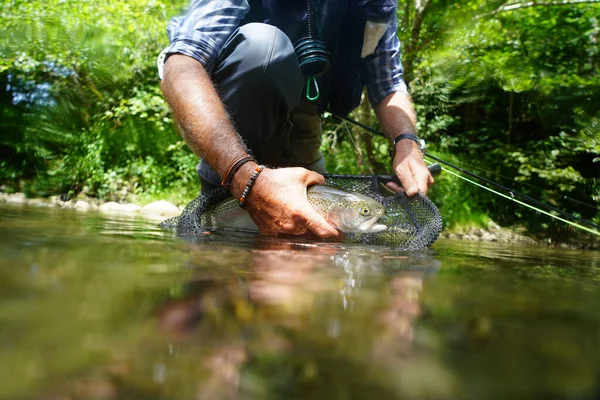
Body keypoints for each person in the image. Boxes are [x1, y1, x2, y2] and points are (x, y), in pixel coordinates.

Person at [159, 0, 434, 239]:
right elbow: (182, 64)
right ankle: (219, 201)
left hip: (307, 133)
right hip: (235, 141)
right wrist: (243, 175)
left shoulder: (375, 5)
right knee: (262, 45)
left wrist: (407, 144)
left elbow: (388, 83)